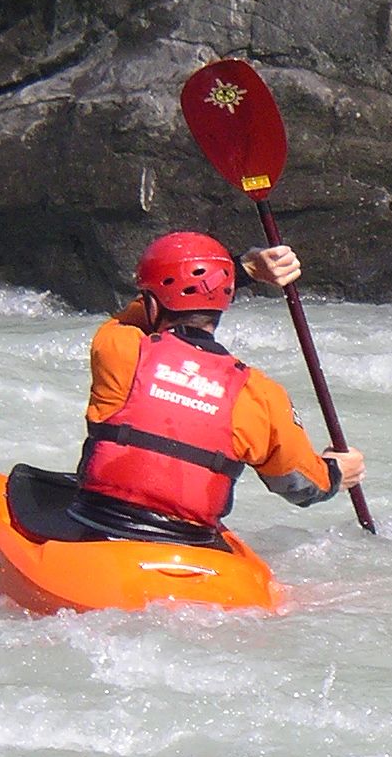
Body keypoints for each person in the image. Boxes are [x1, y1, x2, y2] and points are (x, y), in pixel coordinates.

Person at [68, 231, 367, 544]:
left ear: (152, 304)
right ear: (222, 306)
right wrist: (335, 473)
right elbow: (299, 485)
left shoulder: (118, 347)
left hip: (96, 523)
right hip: (186, 540)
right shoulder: (259, 394)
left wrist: (244, 268)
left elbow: (136, 314)